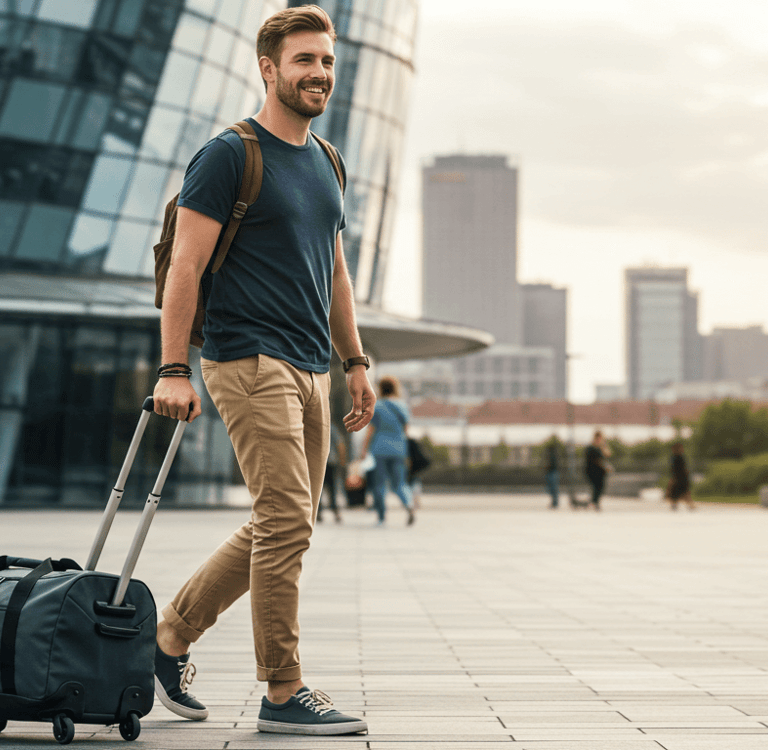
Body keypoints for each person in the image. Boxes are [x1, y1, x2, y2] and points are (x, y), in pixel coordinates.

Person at [151, 5, 374, 736]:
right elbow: (185, 263)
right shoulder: (227, 154)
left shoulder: (328, 160)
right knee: (285, 519)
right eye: (304, 60)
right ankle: (283, 690)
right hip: (246, 357)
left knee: (288, 522)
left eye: (328, 62)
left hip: (313, 365)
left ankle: (170, 636)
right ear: (268, 68)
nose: (319, 74)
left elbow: (335, 271)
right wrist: (174, 367)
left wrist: (356, 361)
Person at [362, 376, 415, 526]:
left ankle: (381, 516)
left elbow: (370, 431)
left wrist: (364, 449)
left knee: (379, 484)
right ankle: (409, 504)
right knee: (399, 483)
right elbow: (406, 429)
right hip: (399, 449)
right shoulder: (402, 406)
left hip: (379, 449)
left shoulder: (377, 407)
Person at [317, 423, 346, 523]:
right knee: (332, 488)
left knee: (318, 489)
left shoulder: (313, 425)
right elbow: (340, 444)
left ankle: (318, 512)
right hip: (331, 462)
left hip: (318, 462)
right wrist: (342, 460)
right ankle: (336, 512)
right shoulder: (331, 427)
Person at [584, 430, 611, 511]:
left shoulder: (601, 447)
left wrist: (604, 445)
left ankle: (594, 502)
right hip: (592, 471)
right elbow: (595, 460)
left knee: (600, 487)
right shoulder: (591, 448)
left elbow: (608, 454)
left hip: (600, 473)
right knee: (596, 487)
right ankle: (594, 502)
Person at [667, 442, 696, 510]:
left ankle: (688, 505)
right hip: (678, 478)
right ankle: (676, 505)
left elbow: (683, 469)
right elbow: (675, 469)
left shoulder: (679, 457)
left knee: (683, 492)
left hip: (681, 478)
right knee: (677, 492)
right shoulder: (676, 458)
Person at [544, 437, 560, 509]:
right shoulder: (553, 455)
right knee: (552, 489)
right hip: (552, 473)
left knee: (553, 488)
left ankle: (555, 503)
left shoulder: (552, 456)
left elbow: (551, 465)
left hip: (552, 473)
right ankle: (554, 502)